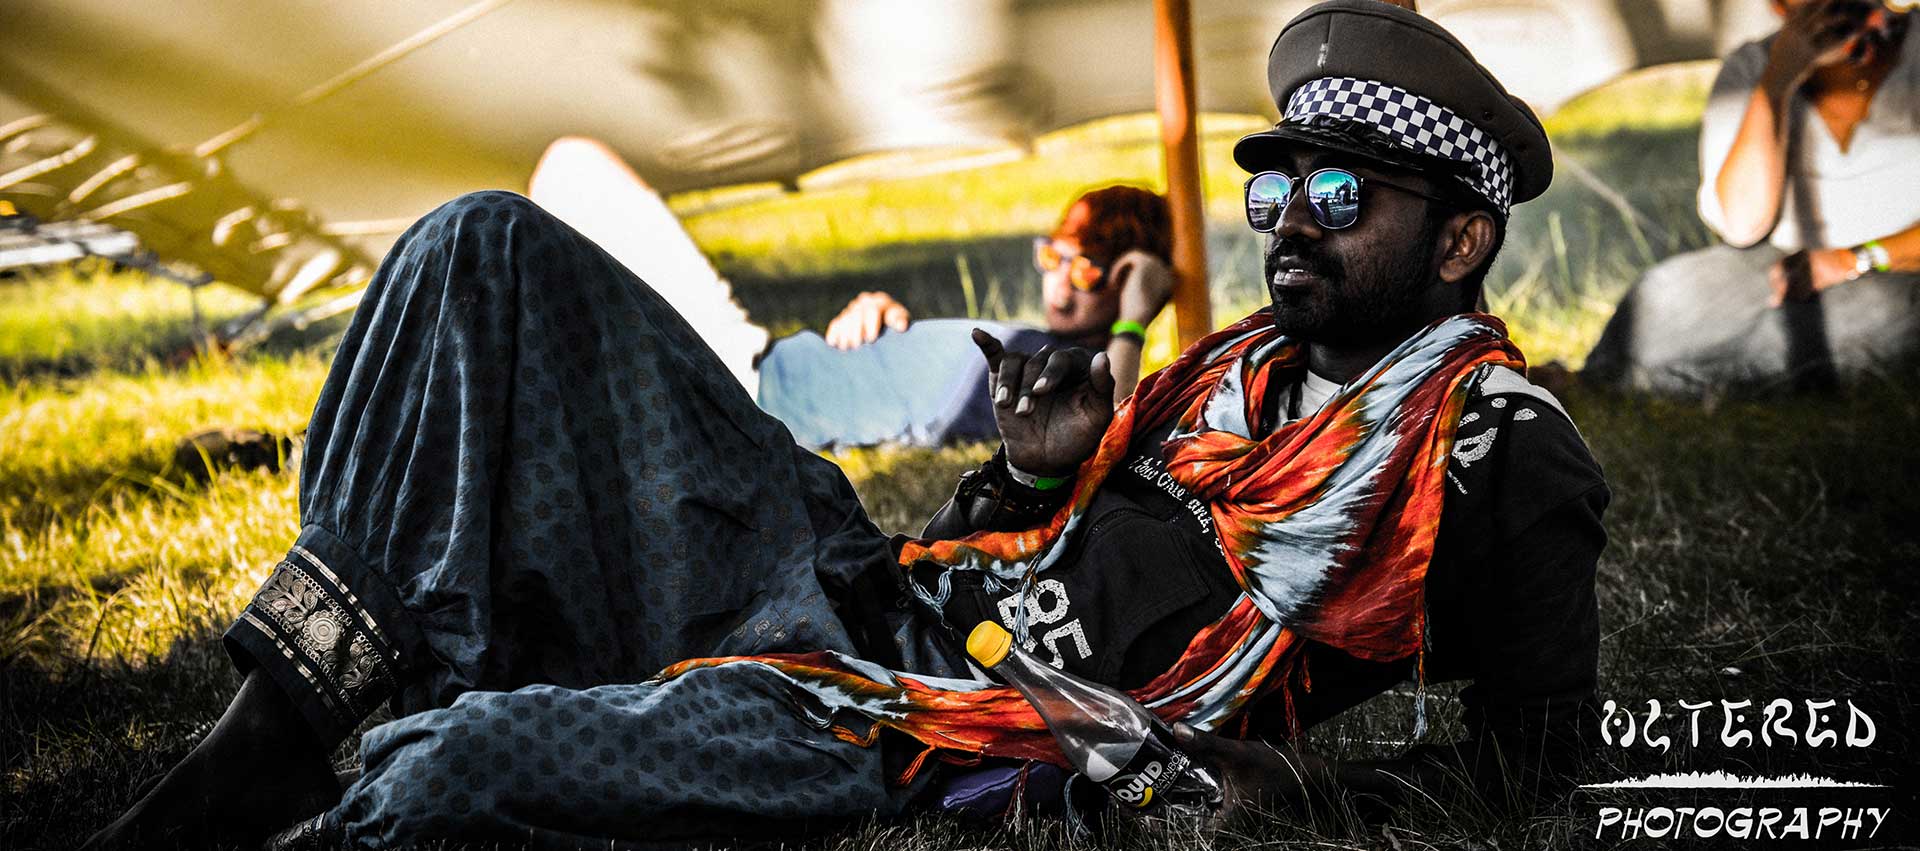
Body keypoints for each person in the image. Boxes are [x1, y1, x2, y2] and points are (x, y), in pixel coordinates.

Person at [83, 2, 1604, 848]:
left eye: (1342, 196)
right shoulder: (1230, 372)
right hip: (860, 579)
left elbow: (1536, 767)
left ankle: (340, 757)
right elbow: (977, 556)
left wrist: (1286, 785)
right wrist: (1024, 467)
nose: (1288, 223)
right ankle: (272, 722)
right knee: (479, 246)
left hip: (917, 724)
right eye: (1279, 186)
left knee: (456, 776)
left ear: (1460, 241)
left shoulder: (1495, 447)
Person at [527, 136, 1176, 448]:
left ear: (1125, 279)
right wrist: (888, 318)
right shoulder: (1031, 353)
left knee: (572, 170)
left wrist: (1135, 317)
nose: (1060, 279)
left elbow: (1112, 413)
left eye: (1089, 267)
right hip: (750, 365)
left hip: (741, 388)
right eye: (1053, 255)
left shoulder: (1074, 378)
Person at [1583, 0, 1920, 396]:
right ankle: (1633, 376)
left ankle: (1650, 380)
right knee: (1662, 292)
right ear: (1779, 7)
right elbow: (1743, 225)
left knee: (1880, 314)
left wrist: (1853, 259)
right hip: (1783, 265)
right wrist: (1777, 82)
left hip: (1896, 264)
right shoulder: (1753, 66)